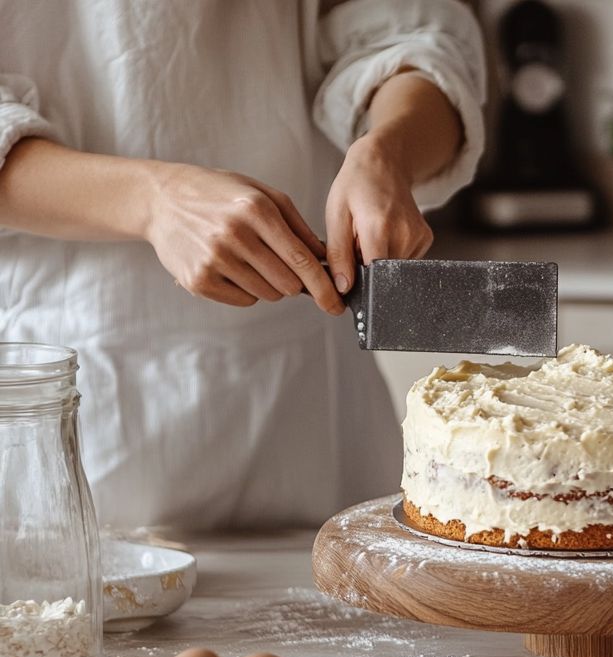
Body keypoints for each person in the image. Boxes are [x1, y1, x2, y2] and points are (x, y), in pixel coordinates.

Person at [0, 0, 485, 528]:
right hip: (59, 400)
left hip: (308, 402)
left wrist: (388, 151)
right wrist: (150, 200)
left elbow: (413, 36)